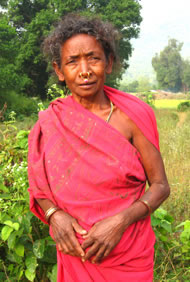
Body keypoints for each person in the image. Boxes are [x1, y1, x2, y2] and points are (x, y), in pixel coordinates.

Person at [28, 14, 170, 282]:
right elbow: (39, 188)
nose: (84, 70)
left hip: (128, 255)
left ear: (109, 63)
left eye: (93, 58)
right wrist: (54, 215)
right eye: (73, 61)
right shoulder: (50, 122)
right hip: (75, 256)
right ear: (59, 71)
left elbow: (161, 186)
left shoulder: (134, 116)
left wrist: (120, 222)